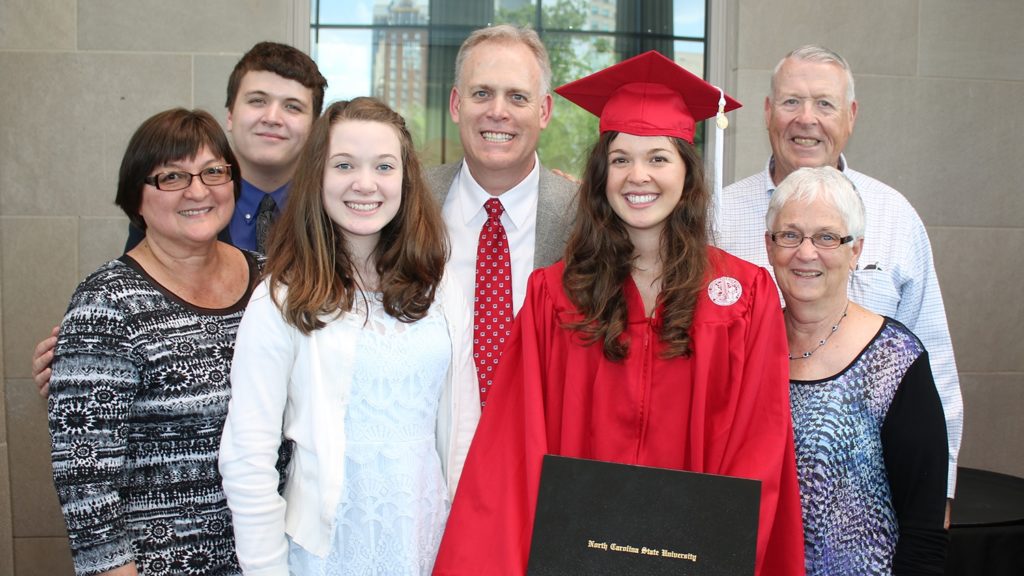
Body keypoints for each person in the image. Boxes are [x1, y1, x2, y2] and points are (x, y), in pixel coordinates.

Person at [432, 51, 805, 576]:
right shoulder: (555, 296)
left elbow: (759, 447)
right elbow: (514, 447)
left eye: (658, 157)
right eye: (622, 158)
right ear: (602, 174)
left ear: (686, 172)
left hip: (697, 558)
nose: (639, 176)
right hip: (574, 558)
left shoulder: (744, 296)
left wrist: (712, 555)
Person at [218, 97, 480, 575]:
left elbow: (463, 432)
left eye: (384, 166)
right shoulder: (280, 299)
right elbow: (247, 458)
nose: (365, 183)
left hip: (427, 542)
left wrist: (469, 548)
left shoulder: (440, 288)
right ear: (317, 175)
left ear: (405, 178)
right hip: (327, 552)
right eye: (344, 165)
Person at [715, 45, 962, 501]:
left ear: (850, 116)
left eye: (824, 104)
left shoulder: (894, 216)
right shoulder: (718, 216)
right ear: (768, 112)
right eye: (791, 101)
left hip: (865, 497)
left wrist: (940, 491)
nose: (805, 118)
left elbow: (935, 358)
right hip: (744, 485)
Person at [33, 41, 328, 396]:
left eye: (292, 107)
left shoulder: (336, 217)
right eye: (257, 100)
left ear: (314, 128)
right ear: (230, 116)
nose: (272, 117)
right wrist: (88, 365)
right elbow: (141, 308)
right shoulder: (168, 210)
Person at [47, 108, 258, 576]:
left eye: (213, 171)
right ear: (135, 199)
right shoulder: (107, 304)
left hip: (273, 558)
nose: (198, 190)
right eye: (171, 177)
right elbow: (85, 478)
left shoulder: (272, 283)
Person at [766, 166, 948, 574]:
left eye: (827, 237)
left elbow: (925, 533)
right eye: (790, 235)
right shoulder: (747, 349)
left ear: (856, 250)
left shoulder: (894, 361)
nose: (806, 252)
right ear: (769, 246)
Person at [426, 24, 577, 407]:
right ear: (457, 104)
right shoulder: (409, 201)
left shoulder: (585, 216)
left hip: (540, 449)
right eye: (482, 93)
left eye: (517, 97)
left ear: (543, 111)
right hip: (428, 453)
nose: (498, 112)